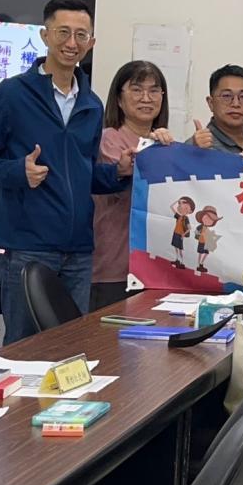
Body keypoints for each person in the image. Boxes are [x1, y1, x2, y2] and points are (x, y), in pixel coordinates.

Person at [0, 0, 133, 344]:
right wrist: (18, 172)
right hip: (28, 247)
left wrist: (118, 172)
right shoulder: (12, 94)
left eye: (81, 35)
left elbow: (84, 174)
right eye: (63, 32)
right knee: (23, 350)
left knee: (70, 349)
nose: (72, 43)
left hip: (80, 253)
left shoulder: (91, 104)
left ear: (92, 42)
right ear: (45, 35)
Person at [90, 61, 174, 311]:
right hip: (113, 267)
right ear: (119, 99)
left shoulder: (165, 144)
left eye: (154, 90)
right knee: (106, 334)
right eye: (136, 90)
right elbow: (139, 183)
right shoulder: (109, 139)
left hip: (155, 269)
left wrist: (190, 152)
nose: (146, 98)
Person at [187, 65, 243, 153]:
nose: (236, 104)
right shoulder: (196, 147)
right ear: (211, 103)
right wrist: (194, 154)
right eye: (227, 96)